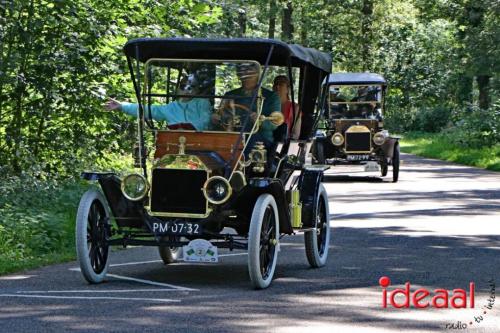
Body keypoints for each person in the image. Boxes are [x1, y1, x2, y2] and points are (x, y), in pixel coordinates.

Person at [212, 63, 282, 150]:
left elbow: (274, 123)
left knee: (250, 141)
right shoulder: (230, 95)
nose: (245, 72)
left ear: (258, 73)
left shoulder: (271, 96)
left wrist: (259, 120)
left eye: (250, 68)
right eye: (242, 69)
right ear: (238, 74)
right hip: (232, 136)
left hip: (260, 142)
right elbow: (222, 115)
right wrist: (218, 118)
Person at [105, 74, 212, 131]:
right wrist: (122, 106)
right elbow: (148, 110)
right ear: (178, 88)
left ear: (197, 89)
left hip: (199, 142)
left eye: (192, 87)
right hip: (173, 143)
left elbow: (205, 121)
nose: (187, 90)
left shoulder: (202, 103)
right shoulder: (171, 107)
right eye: (183, 86)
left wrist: (188, 129)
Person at [273, 75, 301, 139]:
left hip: (283, 143)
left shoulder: (295, 107)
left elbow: (296, 134)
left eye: (281, 84)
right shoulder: (268, 105)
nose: (277, 86)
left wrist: (287, 137)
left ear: (288, 89)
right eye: (275, 84)